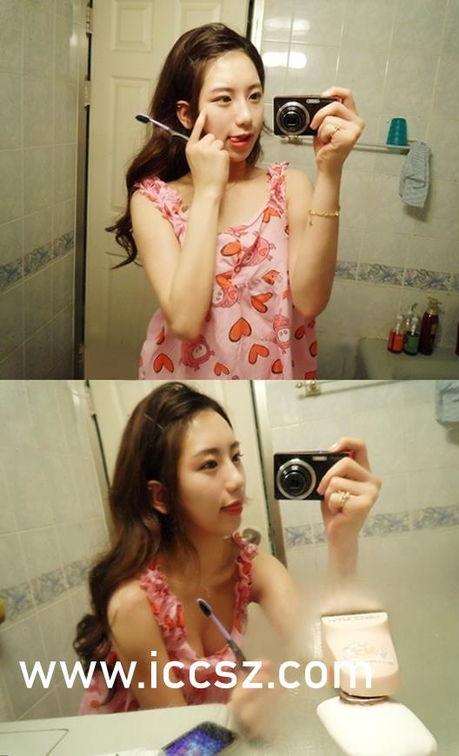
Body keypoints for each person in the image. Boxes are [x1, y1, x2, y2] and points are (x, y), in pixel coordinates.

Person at [75, 382, 381, 737]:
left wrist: (342, 540)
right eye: (209, 464)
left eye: (235, 457)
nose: (236, 479)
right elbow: (179, 744)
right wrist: (233, 724)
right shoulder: (132, 605)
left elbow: (330, 664)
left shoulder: (252, 569)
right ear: (161, 496)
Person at [107, 23, 365, 379]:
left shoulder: (289, 187)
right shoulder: (154, 201)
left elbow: (310, 302)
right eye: (224, 99)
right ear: (186, 114)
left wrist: (331, 171)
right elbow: (184, 322)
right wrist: (208, 192)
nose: (246, 117)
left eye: (254, 96)